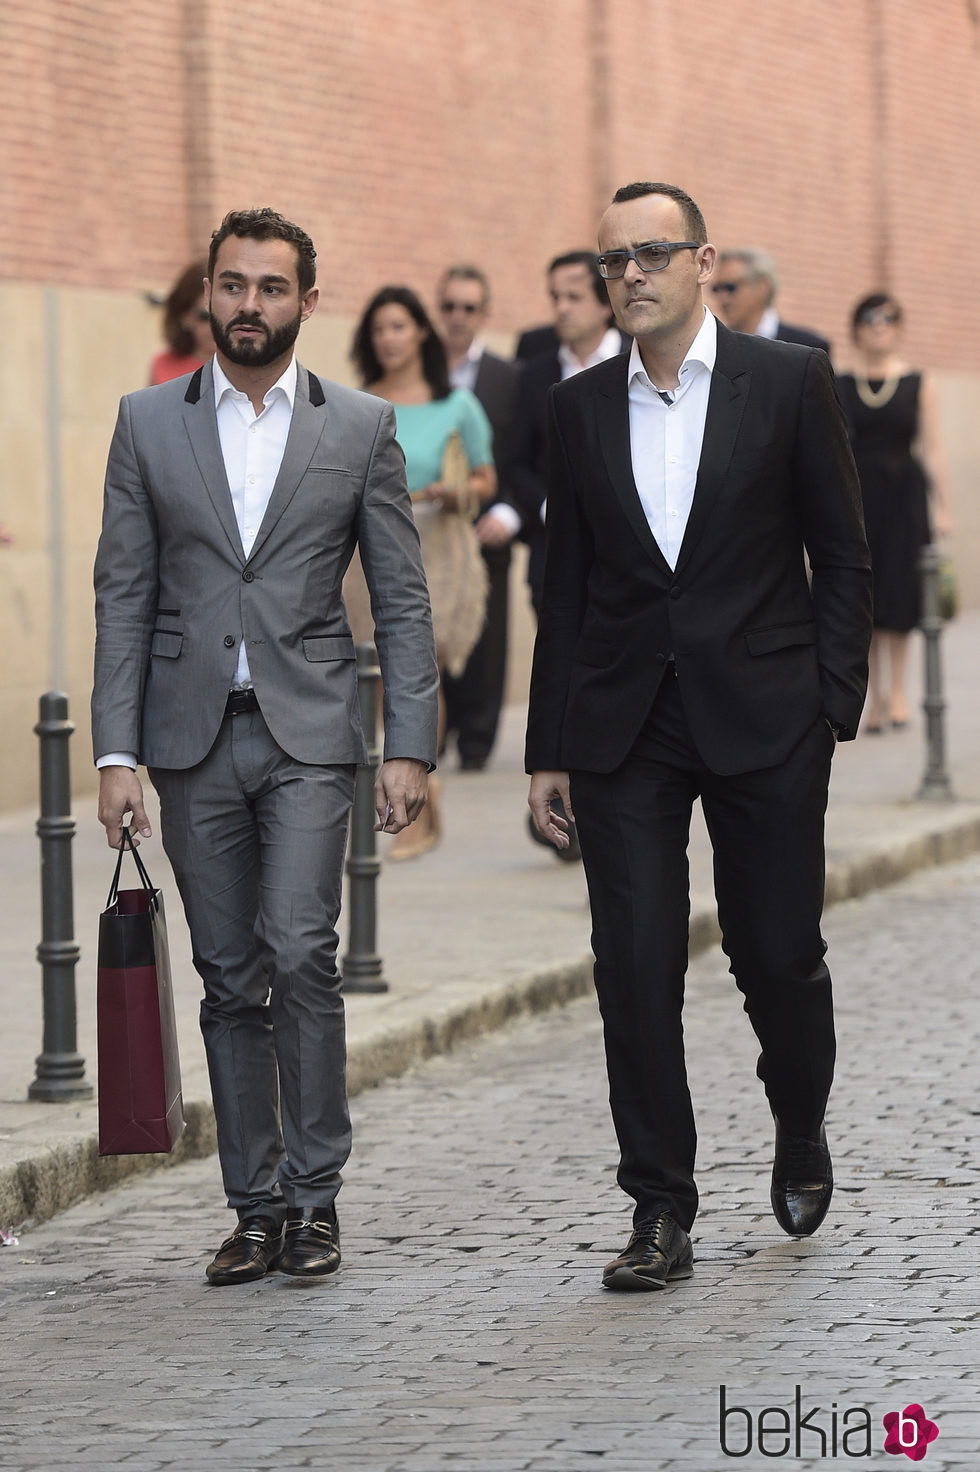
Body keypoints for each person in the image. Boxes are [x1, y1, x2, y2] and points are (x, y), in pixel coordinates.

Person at [525, 182, 872, 1293]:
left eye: (648, 252)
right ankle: (658, 1206)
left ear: (701, 261)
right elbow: (564, 589)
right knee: (631, 965)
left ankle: (799, 1118)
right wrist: (547, 748)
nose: (626, 273)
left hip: (767, 713)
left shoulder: (788, 381)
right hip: (623, 723)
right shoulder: (576, 409)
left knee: (775, 951)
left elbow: (842, 553)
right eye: (609, 257)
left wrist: (831, 700)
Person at [93, 208, 438, 1287]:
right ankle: (253, 1204)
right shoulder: (147, 422)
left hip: (309, 733)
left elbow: (401, 594)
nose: (250, 304)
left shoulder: (360, 427)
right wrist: (113, 752)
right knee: (228, 971)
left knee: (299, 948)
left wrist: (408, 743)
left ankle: (315, 1196)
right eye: (233, 284)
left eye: (272, 286)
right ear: (208, 294)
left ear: (306, 300)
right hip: (190, 739)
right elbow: (123, 593)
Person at [351, 285, 495, 856]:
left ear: (420, 334)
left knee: (419, 673)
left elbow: (487, 477)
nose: (389, 338)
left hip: (437, 547)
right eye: (379, 328)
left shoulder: (457, 404)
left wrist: (458, 492)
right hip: (369, 554)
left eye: (399, 326)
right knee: (384, 678)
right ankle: (420, 802)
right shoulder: (358, 403)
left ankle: (416, 807)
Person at [837, 294, 952, 731]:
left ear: (898, 327)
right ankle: (875, 697)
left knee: (901, 596)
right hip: (859, 501)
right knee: (864, 598)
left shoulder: (918, 382)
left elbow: (933, 449)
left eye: (888, 319)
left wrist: (943, 507)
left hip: (905, 501)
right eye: (870, 319)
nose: (879, 326)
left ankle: (900, 691)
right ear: (857, 327)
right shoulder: (843, 383)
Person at [503, 252, 630, 615]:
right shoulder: (534, 373)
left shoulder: (639, 360)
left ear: (606, 304)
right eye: (555, 297)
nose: (561, 308)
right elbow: (515, 461)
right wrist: (548, 507)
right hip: (553, 559)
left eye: (573, 298)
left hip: (630, 560)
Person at [436, 265, 518, 771]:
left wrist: (507, 510)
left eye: (468, 307)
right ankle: (434, 737)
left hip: (487, 525)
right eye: (449, 306)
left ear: (484, 313)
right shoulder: (424, 375)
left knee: (486, 635)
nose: (458, 317)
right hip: (432, 530)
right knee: (431, 630)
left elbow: (522, 451)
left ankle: (477, 742)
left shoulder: (508, 377)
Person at [709, 247, 831, 355]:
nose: (723, 298)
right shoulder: (715, 346)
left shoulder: (808, 347)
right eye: (716, 289)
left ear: (762, 287)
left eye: (730, 287)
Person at [149, 260, 215, 384]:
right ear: (185, 316)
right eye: (204, 317)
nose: (213, 325)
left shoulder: (246, 369)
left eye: (220, 315)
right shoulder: (163, 365)